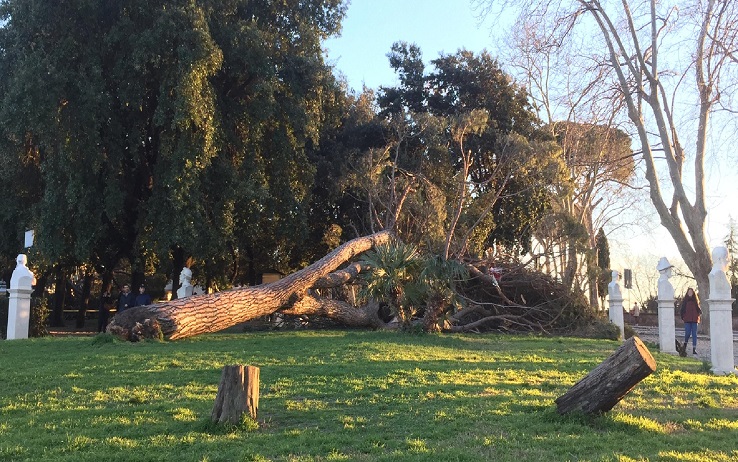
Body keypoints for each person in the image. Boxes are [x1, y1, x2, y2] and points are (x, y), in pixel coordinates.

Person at [680, 287, 702, 355]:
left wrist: (698, 314)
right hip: (687, 320)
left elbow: (698, 310)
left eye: (691, 292)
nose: (690, 293)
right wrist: (683, 317)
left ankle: (694, 349)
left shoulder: (695, 301)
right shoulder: (685, 301)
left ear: (693, 293)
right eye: (689, 292)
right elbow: (682, 310)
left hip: (694, 320)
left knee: (694, 335)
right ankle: (685, 344)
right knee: (687, 333)